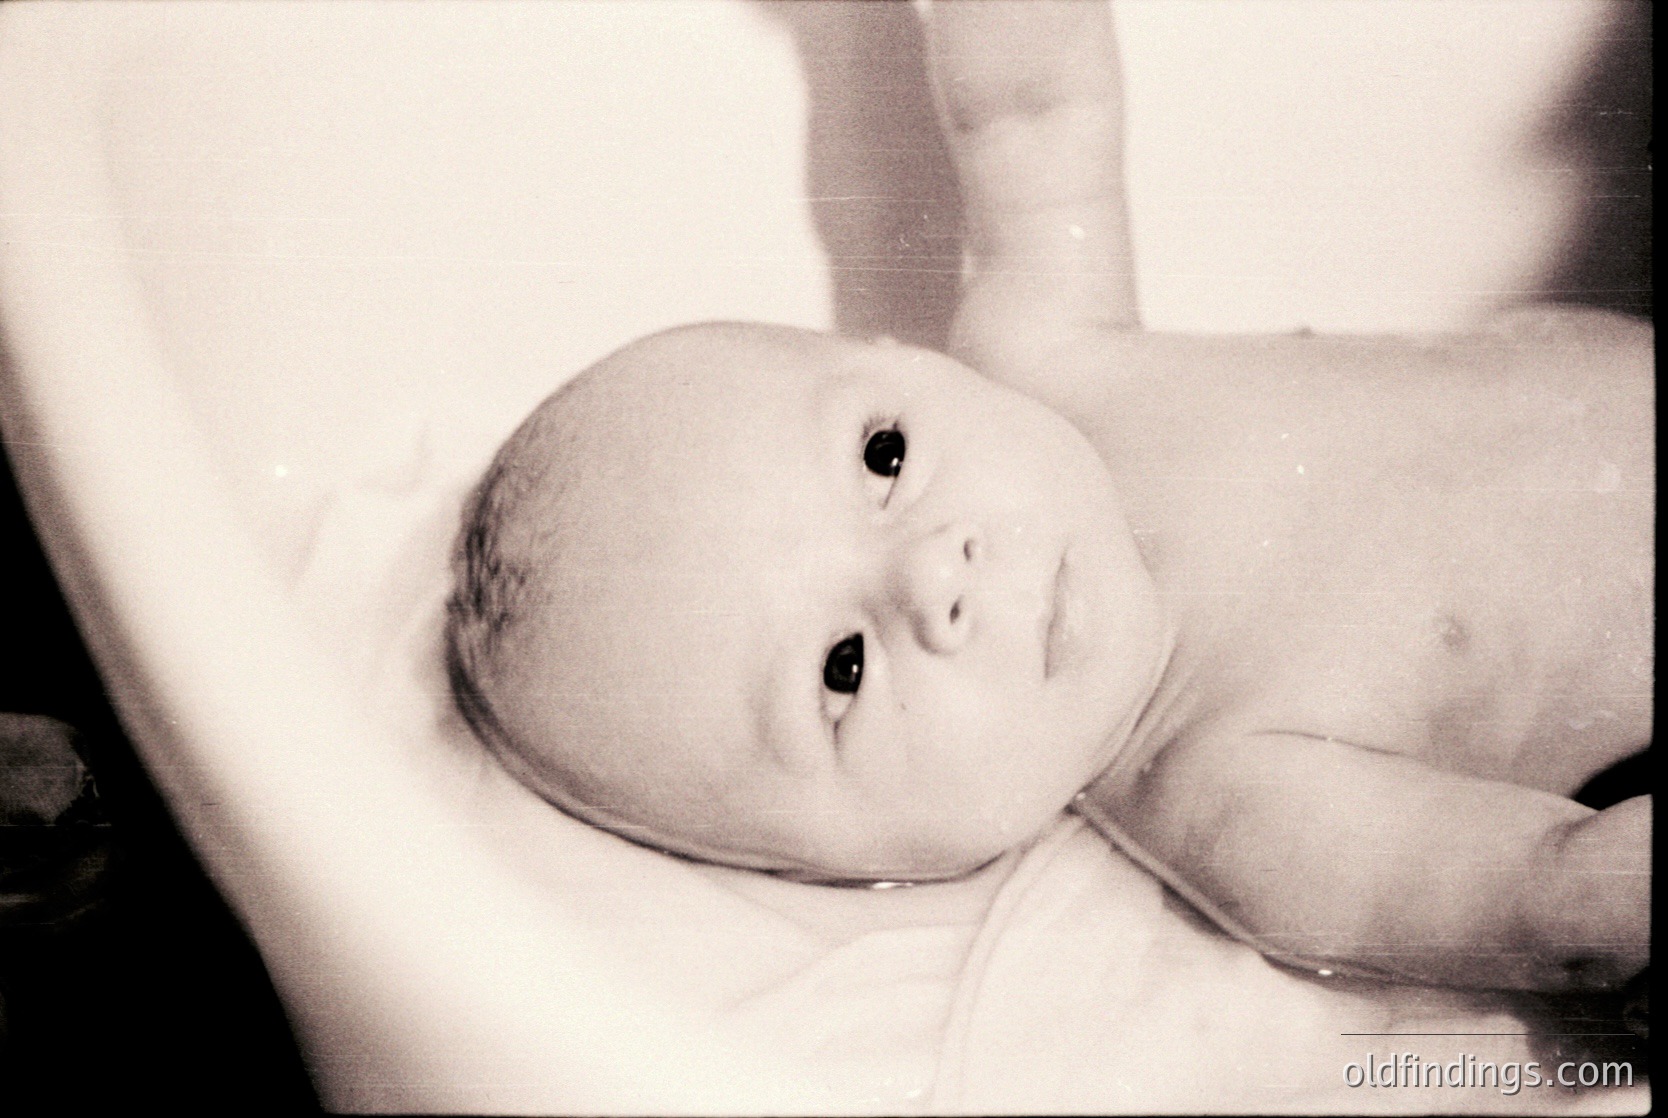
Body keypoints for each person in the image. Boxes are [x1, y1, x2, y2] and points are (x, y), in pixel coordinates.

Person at [445, 0, 1650, 993]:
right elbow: (1554, 892)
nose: (933, 572)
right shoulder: (1241, 805)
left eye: (881, 456)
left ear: (899, 359)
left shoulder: (1050, 351)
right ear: (852, 870)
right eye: (842, 670)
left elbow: (1032, 101)